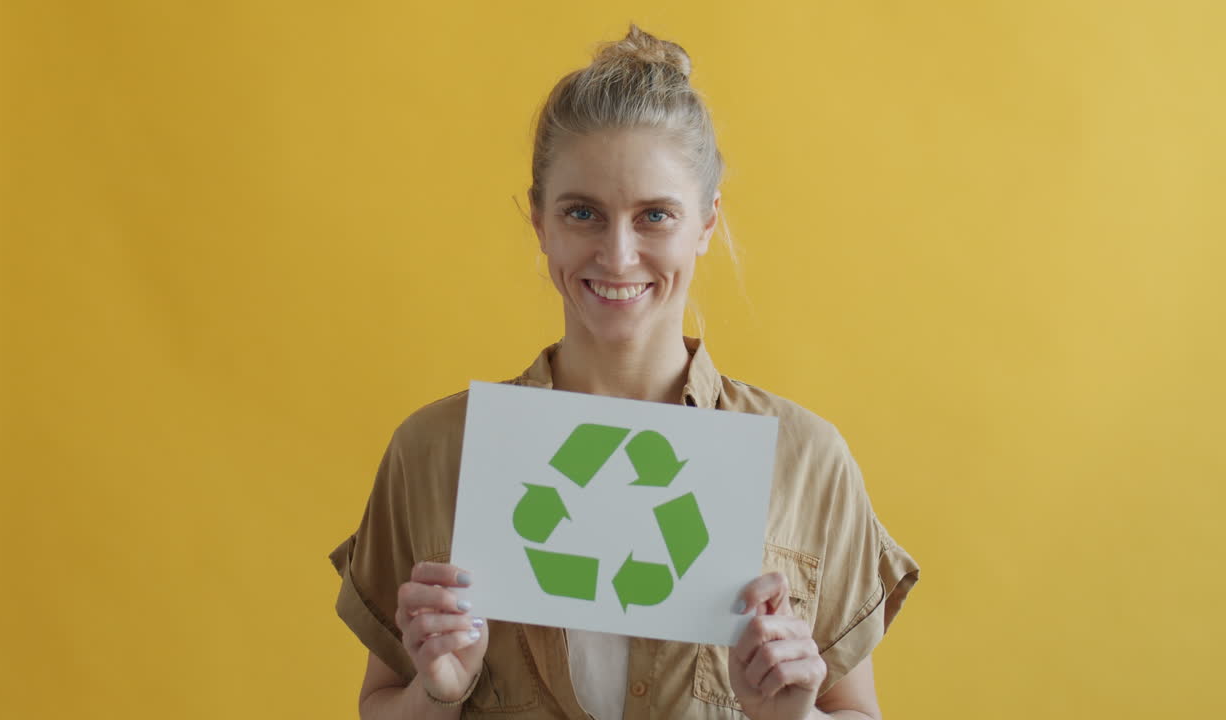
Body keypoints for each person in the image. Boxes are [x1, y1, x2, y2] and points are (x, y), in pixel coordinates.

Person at [328, 23, 920, 720]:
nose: (616, 255)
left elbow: (855, 712)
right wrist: (437, 689)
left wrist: (794, 715)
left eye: (655, 216)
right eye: (583, 213)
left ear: (705, 223)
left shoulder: (806, 460)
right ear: (539, 223)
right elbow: (379, 706)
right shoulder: (434, 453)